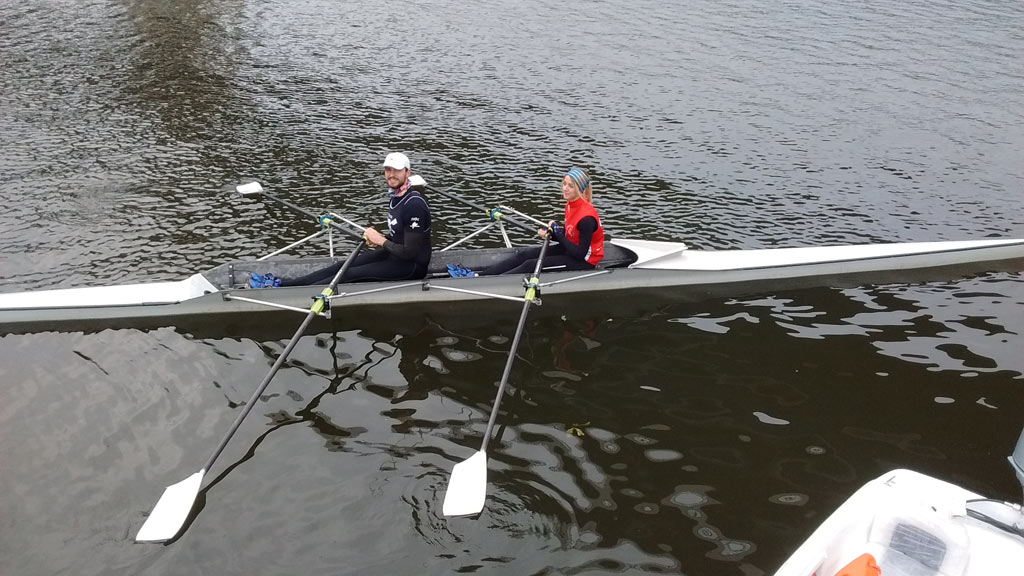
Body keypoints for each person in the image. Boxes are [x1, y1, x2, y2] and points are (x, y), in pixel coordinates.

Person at [276, 152, 431, 286]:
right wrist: (381, 239)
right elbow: (400, 236)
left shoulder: (413, 205)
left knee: (350, 274)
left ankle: (296, 295)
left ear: (407, 172)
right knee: (341, 265)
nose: (391, 174)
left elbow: (410, 252)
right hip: (396, 256)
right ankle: (282, 286)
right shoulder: (396, 196)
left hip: (412, 266)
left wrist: (381, 241)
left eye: (397, 170)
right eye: (388, 170)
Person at [484, 167, 604, 276]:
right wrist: (552, 233)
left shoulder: (586, 219)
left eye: (570, 186)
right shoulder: (570, 204)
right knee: (524, 255)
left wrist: (559, 234)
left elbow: (579, 254)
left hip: (584, 261)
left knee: (530, 265)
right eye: (564, 184)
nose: (565, 188)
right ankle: (480, 276)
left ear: (580, 190)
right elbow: (571, 234)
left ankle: (489, 284)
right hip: (570, 249)